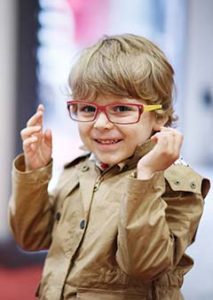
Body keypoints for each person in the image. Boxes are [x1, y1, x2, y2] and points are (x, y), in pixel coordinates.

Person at [9, 34, 210, 300]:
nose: (101, 123)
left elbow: (143, 265)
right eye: (87, 108)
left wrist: (146, 178)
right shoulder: (78, 171)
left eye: (122, 108)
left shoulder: (177, 184)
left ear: (159, 115)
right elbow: (30, 238)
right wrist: (35, 172)